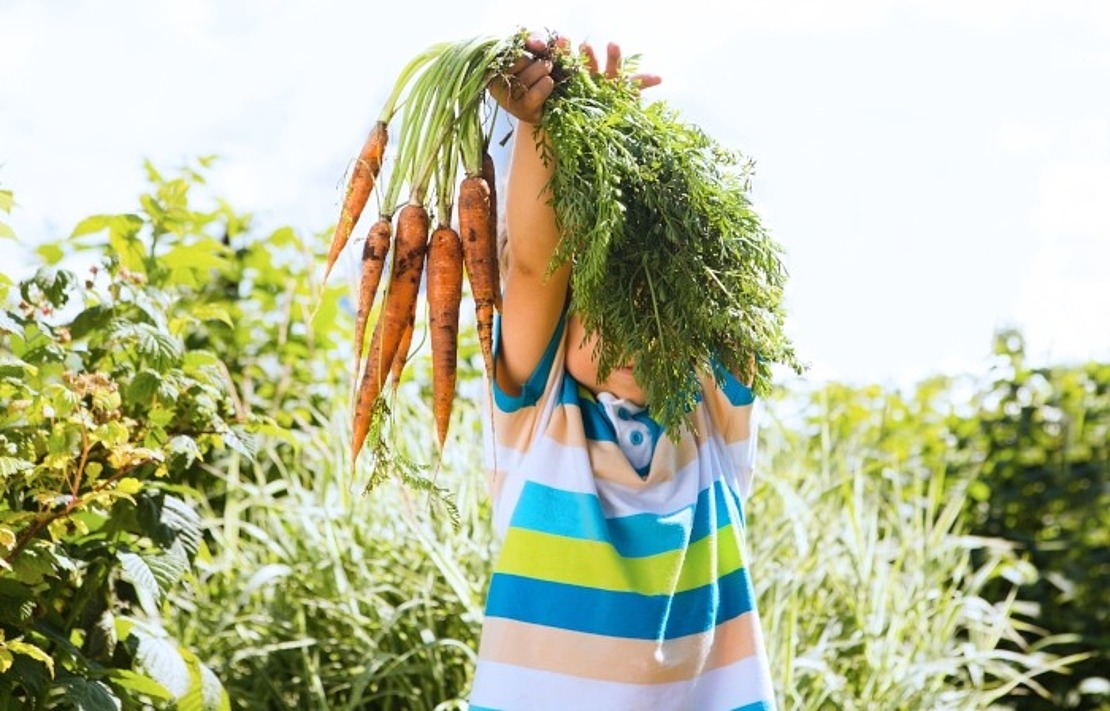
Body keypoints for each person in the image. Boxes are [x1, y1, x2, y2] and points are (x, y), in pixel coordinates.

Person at [468, 33, 776, 710]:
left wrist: (626, 142)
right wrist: (545, 127)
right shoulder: (539, 418)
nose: (638, 328)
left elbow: (727, 275)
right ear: (564, 310)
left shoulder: (710, 426)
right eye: (605, 305)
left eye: (659, 306)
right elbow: (534, 266)